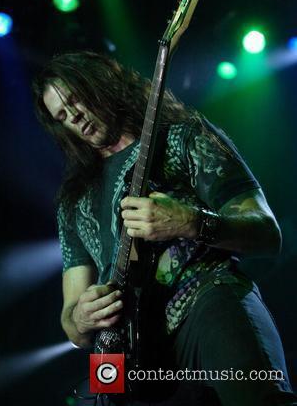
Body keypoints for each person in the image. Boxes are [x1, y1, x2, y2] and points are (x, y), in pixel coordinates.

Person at [33, 51, 297, 406]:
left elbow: (267, 233)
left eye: (76, 99)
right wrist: (80, 317)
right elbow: (71, 321)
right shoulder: (73, 199)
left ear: (100, 83)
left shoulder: (186, 136)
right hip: (119, 349)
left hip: (205, 300)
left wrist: (190, 221)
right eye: (62, 115)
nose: (75, 117)